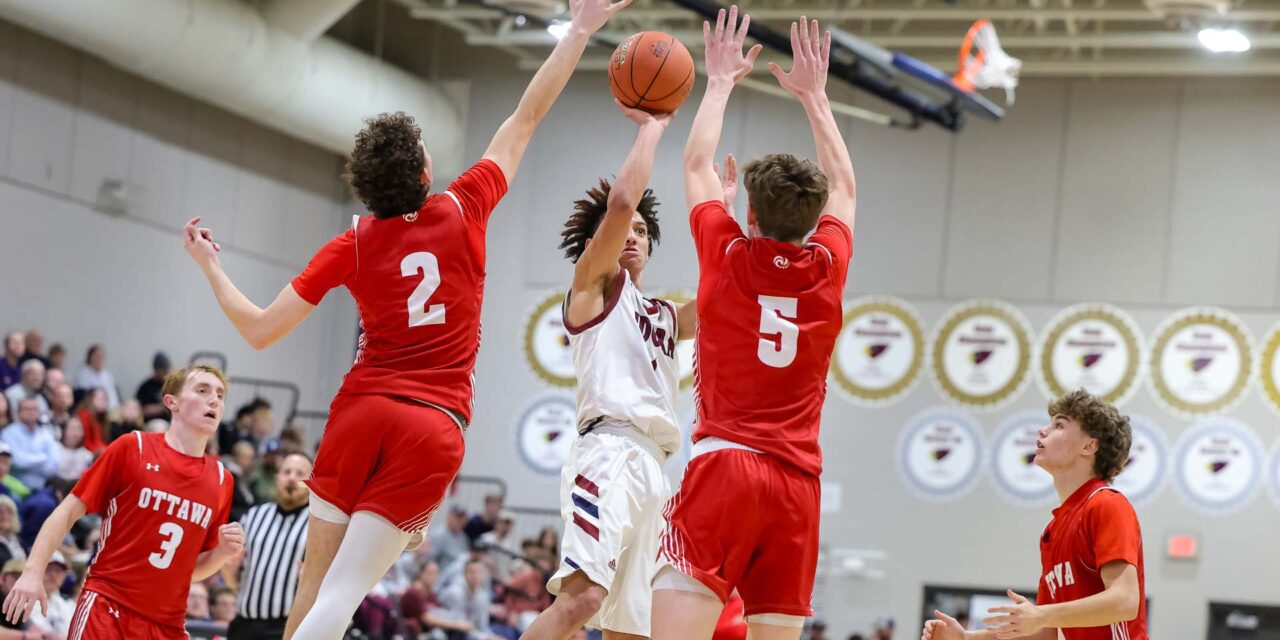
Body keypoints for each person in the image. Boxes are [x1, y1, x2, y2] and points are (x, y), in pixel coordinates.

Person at [183, 0, 630, 635]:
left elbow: (259, 328)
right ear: (424, 170)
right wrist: (581, 29)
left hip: (360, 411)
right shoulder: (463, 205)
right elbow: (526, 115)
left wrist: (211, 268)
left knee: (314, 584)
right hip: (432, 423)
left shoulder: (355, 243)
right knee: (345, 592)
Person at [652, 10, 858, 640]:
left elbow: (694, 166)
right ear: (812, 218)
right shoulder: (827, 267)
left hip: (726, 466)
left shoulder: (728, 252)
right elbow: (846, 185)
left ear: (748, 210)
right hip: (798, 486)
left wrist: (718, 83)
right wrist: (816, 97)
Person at [522, 101, 686, 640]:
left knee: (632, 631)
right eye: (625, 229)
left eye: (643, 229)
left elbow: (725, 292)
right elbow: (619, 202)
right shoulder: (592, 287)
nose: (633, 234)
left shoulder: (663, 315)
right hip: (609, 452)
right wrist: (652, 132)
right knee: (581, 602)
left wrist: (725, 213)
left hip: (655, 472)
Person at [1, 365, 244, 639]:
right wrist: (33, 572)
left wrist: (221, 554)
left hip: (167, 624)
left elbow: (191, 570)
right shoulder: (134, 447)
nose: (214, 399)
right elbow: (67, 511)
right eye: (202, 390)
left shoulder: (222, 480)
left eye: (220, 395)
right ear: (171, 402)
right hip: (107, 608)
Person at [921, 390, 1146, 640]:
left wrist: (1042, 615)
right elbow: (1044, 633)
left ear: (1089, 445)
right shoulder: (1053, 529)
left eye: (1059, 425)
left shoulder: (1107, 504)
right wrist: (966, 638)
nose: (1043, 431)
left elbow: (1125, 601)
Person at [224, 452, 312, 640]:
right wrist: (229, 568)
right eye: (287, 471)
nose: (292, 477)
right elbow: (233, 582)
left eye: (300, 473)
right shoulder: (254, 515)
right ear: (277, 477)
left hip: (287, 628)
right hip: (244, 624)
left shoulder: (317, 525)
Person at [2, 399, 59, 491]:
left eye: (35, 409)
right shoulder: (8, 433)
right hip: (14, 488)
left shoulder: (46, 435)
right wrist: (42, 458)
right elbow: (17, 462)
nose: (31, 412)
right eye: (27, 409)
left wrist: (29, 462)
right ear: (18, 412)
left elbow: (53, 467)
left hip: (41, 488)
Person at [73, 345, 119, 410]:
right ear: (90, 358)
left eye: (101, 357)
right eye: (97, 357)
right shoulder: (82, 374)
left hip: (111, 409)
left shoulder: (108, 375)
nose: (99, 360)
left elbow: (113, 394)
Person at [136, 352, 172, 422]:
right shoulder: (146, 387)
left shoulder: (171, 384)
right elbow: (140, 410)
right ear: (157, 370)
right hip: (154, 422)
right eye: (164, 371)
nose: (166, 373)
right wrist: (161, 407)